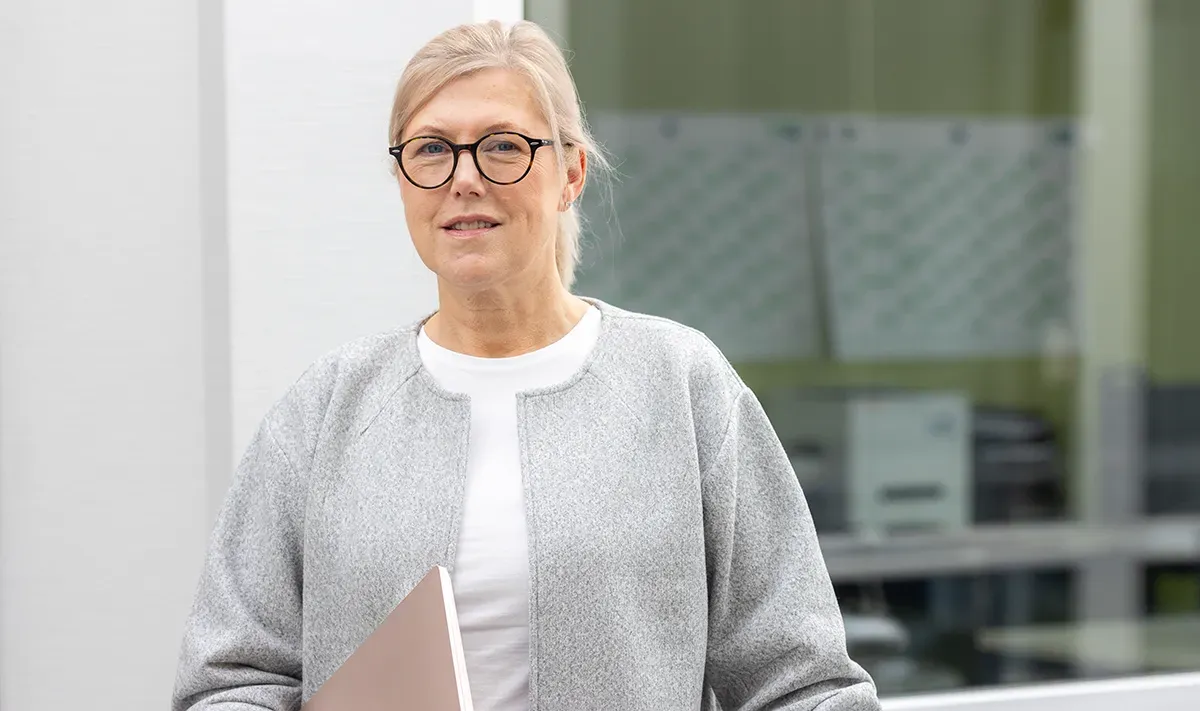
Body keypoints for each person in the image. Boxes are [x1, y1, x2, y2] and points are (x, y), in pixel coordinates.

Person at [172, 19, 879, 711]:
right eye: (431, 150)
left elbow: (803, 682)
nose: (464, 179)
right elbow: (231, 680)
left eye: (503, 146)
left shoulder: (682, 386)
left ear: (570, 172)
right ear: (402, 180)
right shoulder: (327, 408)